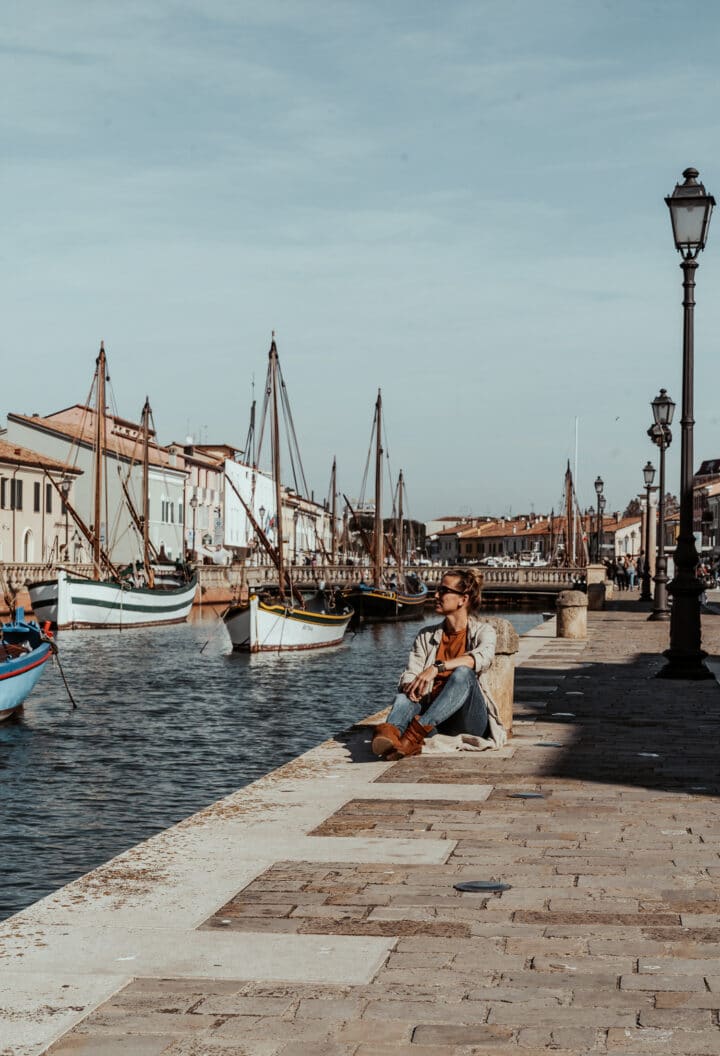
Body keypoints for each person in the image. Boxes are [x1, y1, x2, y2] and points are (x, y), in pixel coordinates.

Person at [371, 567, 506, 759]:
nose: (436, 595)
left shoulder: (484, 631)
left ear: (463, 599)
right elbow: (411, 671)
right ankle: (390, 735)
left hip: (469, 721)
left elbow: (481, 658)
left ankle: (410, 737)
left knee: (462, 673)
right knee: (403, 696)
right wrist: (412, 685)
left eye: (443, 591)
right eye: (437, 590)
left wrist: (437, 667)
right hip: (435, 723)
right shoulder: (426, 635)